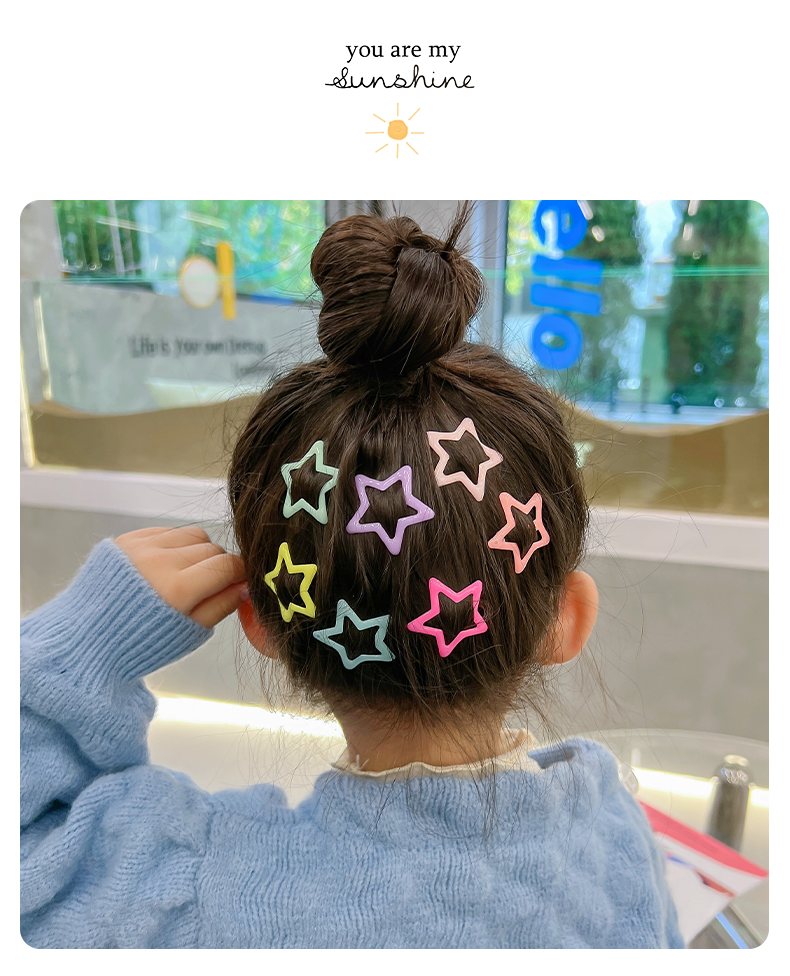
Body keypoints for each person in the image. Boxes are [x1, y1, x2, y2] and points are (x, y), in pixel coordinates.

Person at [20, 204, 684, 949]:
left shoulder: (204, 888)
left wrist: (84, 644)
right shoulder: (616, 840)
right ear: (568, 618)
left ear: (261, 621)